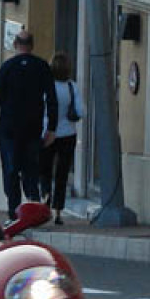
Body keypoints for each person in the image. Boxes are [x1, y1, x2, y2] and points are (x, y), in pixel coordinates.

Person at [0, 29, 57, 222]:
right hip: (32, 128)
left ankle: (14, 212)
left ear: (15, 45)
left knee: (11, 169)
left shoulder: (7, 67)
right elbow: (51, 98)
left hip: (9, 128)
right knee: (30, 169)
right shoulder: (42, 67)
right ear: (32, 46)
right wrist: (52, 127)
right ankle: (33, 207)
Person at [40, 52, 85, 225]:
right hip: (68, 134)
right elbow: (81, 111)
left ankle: (45, 198)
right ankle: (58, 211)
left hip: (46, 133)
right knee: (62, 173)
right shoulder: (72, 87)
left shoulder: (46, 86)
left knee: (44, 170)